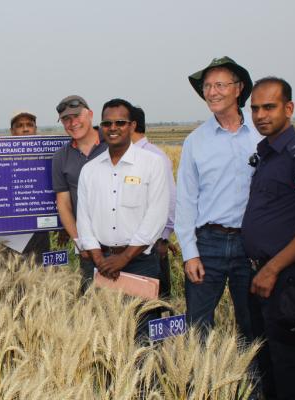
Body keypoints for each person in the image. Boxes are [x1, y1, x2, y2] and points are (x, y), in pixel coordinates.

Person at [242, 77, 295, 399]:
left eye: (269, 107)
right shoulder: (267, 154)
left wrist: (273, 268)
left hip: (285, 279)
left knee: (290, 367)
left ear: (288, 108)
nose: (261, 115)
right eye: (256, 108)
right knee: (268, 363)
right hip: (263, 274)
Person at [175, 56, 260, 340]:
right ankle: (201, 383)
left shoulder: (261, 134)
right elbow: (186, 201)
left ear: (238, 88)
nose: (211, 92)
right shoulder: (195, 141)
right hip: (207, 243)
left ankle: (256, 384)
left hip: (252, 243)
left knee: (253, 324)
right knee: (198, 327)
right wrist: (190, 253)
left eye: (220, 85)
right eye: (207, 86)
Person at [77, 98, 168, 287]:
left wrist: (124, 258)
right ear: (101, 127)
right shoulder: (89, 169)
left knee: (142, 316)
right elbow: (84, 218)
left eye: (120, 123)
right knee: (100, 316)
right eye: (107, 123)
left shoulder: (153, 163)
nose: (113, 128)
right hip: (100, 262)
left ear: (132, 126)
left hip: (140, 262)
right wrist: (98, 257)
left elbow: (156, 216)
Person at [51, 95, 107, 288]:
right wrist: (80, 241)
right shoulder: (60, 157)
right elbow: (64, 204)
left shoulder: (113, 144)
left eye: (76, 116)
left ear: (90, 115)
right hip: (88, 249)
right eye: (66, 119)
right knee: (93, 305)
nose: (73, 123)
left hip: (125, 246)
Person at [130, 106, 177, 297]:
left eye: (119, 122)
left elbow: (171, 199)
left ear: (131, 125)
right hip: (127, 244)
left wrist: (164, 237)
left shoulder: (155, 156)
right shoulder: (121, 156)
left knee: (156, 299)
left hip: (152, 243)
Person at [0, 111, 51, 264]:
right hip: (9, 234)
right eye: (20, 126)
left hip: (39, 232)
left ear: (35, 129)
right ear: (12, 132)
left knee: (39, 279)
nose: (25, 129)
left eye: (29, 125)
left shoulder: (48, 158)